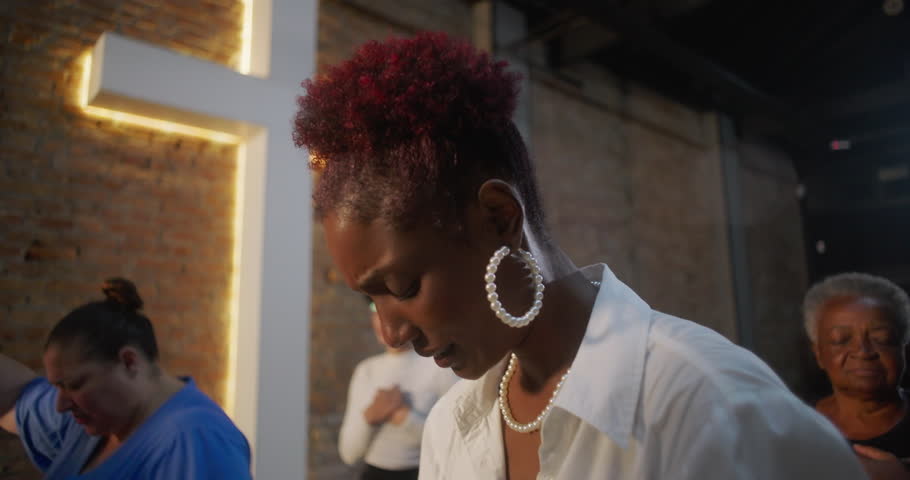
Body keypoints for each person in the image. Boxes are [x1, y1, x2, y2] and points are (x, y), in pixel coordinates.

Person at [293, 32, 867, 479]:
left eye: (401, 286)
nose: (392, 333)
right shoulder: (453, 426)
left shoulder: (706, 405)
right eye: (370, 301)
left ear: (499, 218)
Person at [0, 278, 252, 479]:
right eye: (59, 387)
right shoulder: (93, 422)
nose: (60, 404)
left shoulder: (196, 441)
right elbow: (14, 398)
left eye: (75, 385)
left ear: (129, 362)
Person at [804, 272, 910, 480]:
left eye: (882, 338)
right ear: (819, 354)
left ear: (904, 351)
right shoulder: (794, 424)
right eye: (841, 340)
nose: (863, 351)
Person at [338, 299, 457, 480]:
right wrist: (371, 415)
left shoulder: (440, 368)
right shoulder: (366, 371)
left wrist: (402, 415)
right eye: (375, 310)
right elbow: (349, 454)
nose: (381, 320)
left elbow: (454, 444)